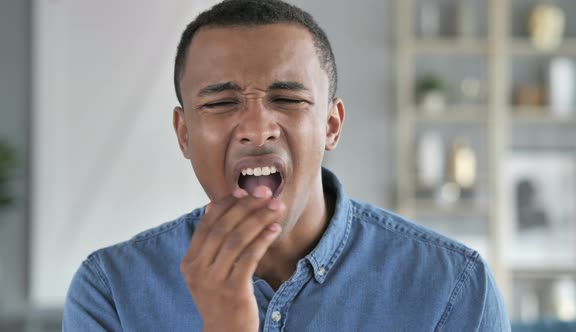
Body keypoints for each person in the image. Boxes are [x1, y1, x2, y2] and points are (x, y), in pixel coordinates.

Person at [63, 0, 511, 331]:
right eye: (221, 102)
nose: (258, 129)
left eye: (288, 98)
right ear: (184, 133)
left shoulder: (454, 287)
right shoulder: (110, 292)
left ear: (331, 125)